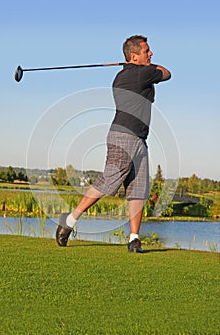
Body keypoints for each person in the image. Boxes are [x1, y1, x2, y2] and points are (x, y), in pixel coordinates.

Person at [56, 35, 171, 252]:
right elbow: (167, 73)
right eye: (147, 51)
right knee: (109, 181)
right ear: (134, 56)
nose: (151, 54)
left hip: (140, 139)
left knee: (138, 189)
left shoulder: (123, 76)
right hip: (123, 136)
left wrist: (131, 64)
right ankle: (69, 220)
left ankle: (134, 239)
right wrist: (141, 65)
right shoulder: (142, 73)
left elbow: (151, 72)